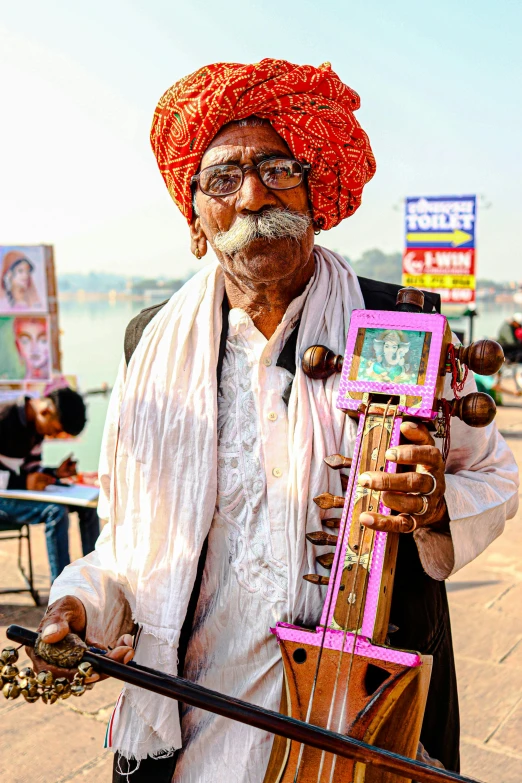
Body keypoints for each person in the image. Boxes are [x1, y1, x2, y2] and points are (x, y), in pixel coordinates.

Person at [29, 60, 518, 782]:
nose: (255, 193)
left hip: (359, 728)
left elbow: (495, 472)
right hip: (193, 733)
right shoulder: (150, 344)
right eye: (223, 179)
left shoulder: (398, 323)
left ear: (316, 197)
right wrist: (77, 603)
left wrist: (437, 502)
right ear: (196, 222)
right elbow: (128, 548)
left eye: (278, 168)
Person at [0, 387, 100, 583]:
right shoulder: (4, 415)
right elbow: (23, 480)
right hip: (4, 497)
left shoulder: (36, 427)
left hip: (12, 493)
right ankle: (62, 590)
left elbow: (31, 469)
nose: (53, 436)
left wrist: (55, 473)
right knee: (55, 511)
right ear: (46, 411)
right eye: (55, 431)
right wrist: (21, 482)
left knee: (88, 507)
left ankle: (95, 580)